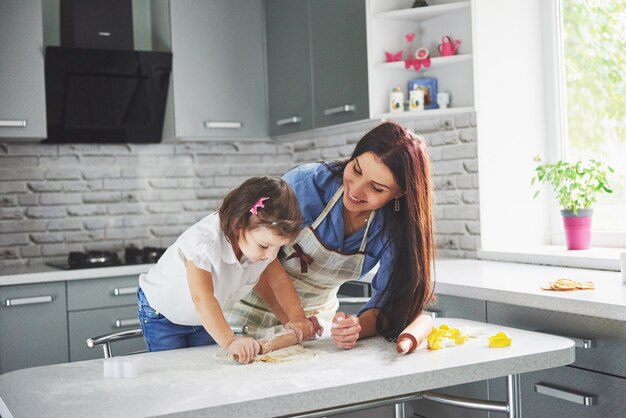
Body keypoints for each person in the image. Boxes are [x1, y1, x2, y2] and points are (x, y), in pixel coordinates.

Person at [226, 121, 435, 350]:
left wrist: (355, 327)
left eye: (376, 188)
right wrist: (293, 319)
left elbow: (390, 303)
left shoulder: (394, 226)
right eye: (356, 170)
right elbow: (258, 255)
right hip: (246, 313)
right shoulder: (306, 184)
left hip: (316, 330)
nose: (355, 190)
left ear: (401, 193)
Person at [138, 176, 320, 363]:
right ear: (238, 225)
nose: (271, 256)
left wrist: (295, 319)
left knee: (206, 369)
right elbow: (203, 298)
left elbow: (278, 282)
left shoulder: (257, 246)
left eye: (278, 247)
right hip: (164, 314)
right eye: (265, 246)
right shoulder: (203, 244)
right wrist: (230, 340)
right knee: (173, 371)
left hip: (204, 318)